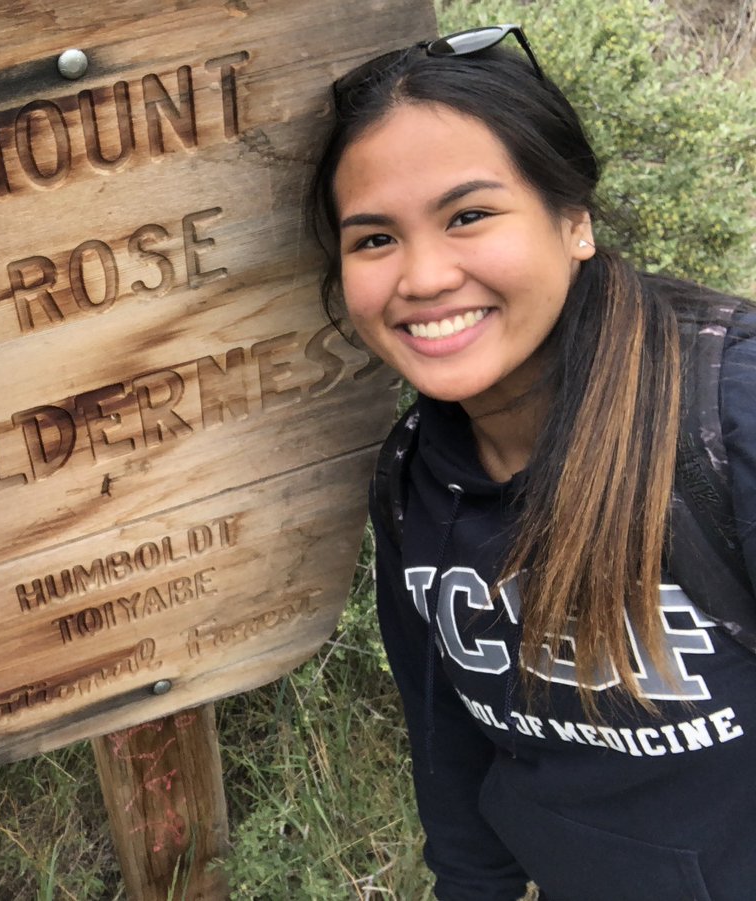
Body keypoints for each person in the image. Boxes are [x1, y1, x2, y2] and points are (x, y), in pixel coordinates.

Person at [313, 24, 756, 901]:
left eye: (468, 215)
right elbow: (453, 758)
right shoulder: (412, 481)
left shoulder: (725, 418)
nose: (425, 276)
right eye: (373, 239)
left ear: (574, 219)